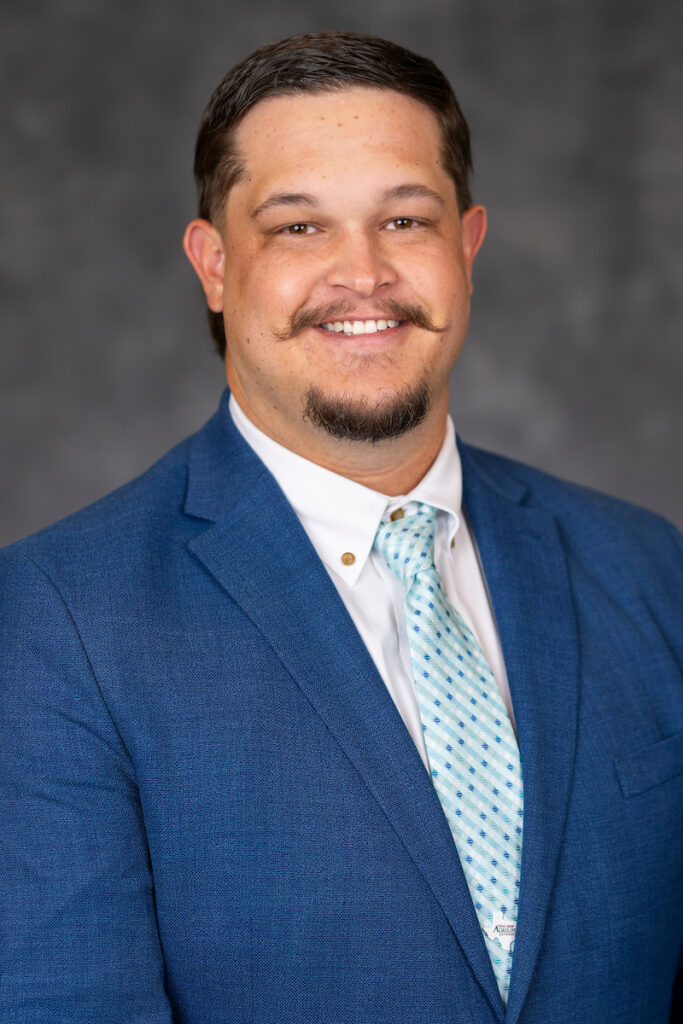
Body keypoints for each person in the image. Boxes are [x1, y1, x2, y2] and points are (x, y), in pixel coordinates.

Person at [1, 31, 681, 1024]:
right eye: (297, 228)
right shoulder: (56, 619)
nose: (362, 274)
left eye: (403, 218)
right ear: (215, 265)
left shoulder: (645, 567)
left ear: (465, 246)